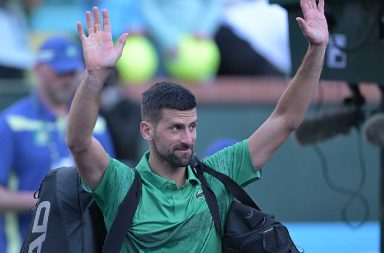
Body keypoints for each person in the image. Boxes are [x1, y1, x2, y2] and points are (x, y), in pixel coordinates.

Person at [67, 0, 328, 251]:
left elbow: (285, 119)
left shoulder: (216, 177)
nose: (188, 138)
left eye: (192, 126)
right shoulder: (120, 183)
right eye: (175, 128)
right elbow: (79, 143)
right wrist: (95, 75)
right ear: (147, 130)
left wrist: (316, 49)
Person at [0, 36, 115, 253]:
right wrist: (48, 202)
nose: (67, 80)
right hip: (25, 245)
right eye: (59, 73)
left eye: (72, 73)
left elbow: (112, 184)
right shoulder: (11, 123)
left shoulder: (96, 124)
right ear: (38, 70)